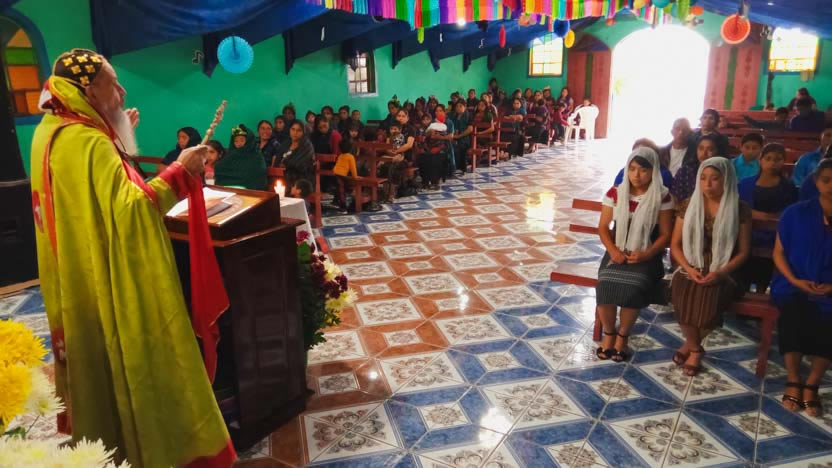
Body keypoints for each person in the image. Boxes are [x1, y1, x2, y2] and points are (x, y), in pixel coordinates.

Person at [30, 48, 233, 467]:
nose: (122, 93)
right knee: (136, 362)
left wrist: (117, 138)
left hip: (75, 271)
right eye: (114, 84)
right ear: (89, 91)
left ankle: (107, 444)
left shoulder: (50, 132)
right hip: (108, 279)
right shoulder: (88, 141)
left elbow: (92, 198)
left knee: (95, 369)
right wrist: (180, 172)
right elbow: (130, 210)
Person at [670, 157, 752, 376]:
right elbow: (675, 244)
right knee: (681, 296)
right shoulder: (689, 204)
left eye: (715, 178)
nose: (708, 184)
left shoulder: (739, 209)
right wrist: (688, 268)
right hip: (691, 263)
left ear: (727, 180)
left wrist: (720, 272)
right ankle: (696, 349)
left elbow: (743, 252)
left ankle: (689, 345)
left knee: (708, 305)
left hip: (725, 267)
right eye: (703, 178)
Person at [595, 147, 674, 362]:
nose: (636, 175)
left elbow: (665, 235)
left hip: (646, 254)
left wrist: (646, 254)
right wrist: (613, 251)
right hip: (618, 250)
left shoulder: (662, 196)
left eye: (643, 170)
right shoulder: (615, 193)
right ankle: (609, 333)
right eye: (632, 169)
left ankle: (623, 336)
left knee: (633, 287)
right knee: (604, 285)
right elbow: (603, 228)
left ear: (653, 171)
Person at [771, 158, 832, 416]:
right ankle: (794, 379)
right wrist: (796, 281)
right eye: (826, 180)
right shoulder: (795, 213)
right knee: (793, 315)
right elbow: (778, 253)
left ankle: (812, 384)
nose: (831, 186)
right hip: (794, 282)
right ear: (816, 182)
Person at [737, 143, 798, 292]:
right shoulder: (745, 184)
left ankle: (761, 291)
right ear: (761, 160)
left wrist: (771, 217)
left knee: (764, 274)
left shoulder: (789, 187)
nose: (772, 163)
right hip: (746, 233)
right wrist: (751, 213)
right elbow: (736, 207)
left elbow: (790, 212)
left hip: (773, 236)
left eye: (777, 159)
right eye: (768, 158)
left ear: (783, 161)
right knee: (742, 274)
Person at [214, 125, 267, 190]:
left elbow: (254, 176)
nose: (239, 143)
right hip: (227, 189)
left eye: (242, 140)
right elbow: (220, 169)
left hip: (248, 190)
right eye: (236, 141)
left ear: (249, 140)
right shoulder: (231, 154)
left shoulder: (256, 156)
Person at [671, 134, 720, 201]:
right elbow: (675, 197)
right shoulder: (685, 171)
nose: (704, 153)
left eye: (710, 149)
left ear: (717, 151)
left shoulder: (723, 172)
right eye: (701, 148)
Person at [274, 121, 315, 197]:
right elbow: (277, 160)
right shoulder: (286, 143)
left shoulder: (307, 146)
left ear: (303, 132)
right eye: (293, 129)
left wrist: (285, 164)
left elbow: (298, 164)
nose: (295, 133)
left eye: (299, 130)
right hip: (284, 175)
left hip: (301, 179)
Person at [420, 104, 453, 190]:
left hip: (444, 146)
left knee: (436, 158)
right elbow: (426, 134)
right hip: (430, 145)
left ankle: (436, 181)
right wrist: (429, 133)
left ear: (444, 112)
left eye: (440, 110)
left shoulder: (448, 122)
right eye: (436, 111)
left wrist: (439, 137)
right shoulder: (432, 122)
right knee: (423, 157)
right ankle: (426, 181)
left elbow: (450, 137)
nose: (438, 112)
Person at [450, 100, 473, 173]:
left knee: (461, 146)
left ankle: (461, 167)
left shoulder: (469, 116)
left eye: (460, 106)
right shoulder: (454, 116)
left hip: (465, 138)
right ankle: (452, 167)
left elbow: (470, 129)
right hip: (454, 137)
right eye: (457, 106)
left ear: (465, 107)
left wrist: (459, 136)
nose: (458, 108)